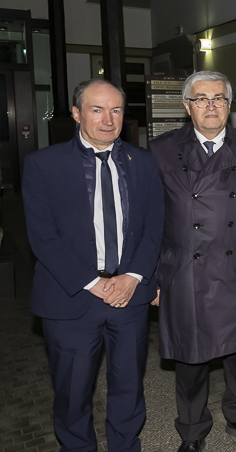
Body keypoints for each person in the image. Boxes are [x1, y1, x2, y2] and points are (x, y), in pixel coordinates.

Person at [23, 79, 164, 452]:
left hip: (129, 297)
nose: (108, 120)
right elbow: (43, 237)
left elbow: (155, 225)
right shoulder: (43, 165)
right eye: (97, 110)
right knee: (72, 392)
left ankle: (125, 445)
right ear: (76, 113)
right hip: (71, 298)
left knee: (129, 386)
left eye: (116, 110)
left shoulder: (144, 162)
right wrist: (93, 283)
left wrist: (134, 277)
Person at [149, 71, 236, 452]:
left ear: (229, 104)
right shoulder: (161, 150)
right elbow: (149, 220)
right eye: (202, 99)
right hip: (184, 272)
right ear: (187, 106)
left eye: (219, 98)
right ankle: (192, 432)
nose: (211, 106)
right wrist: (152, 279)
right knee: (190, 359)